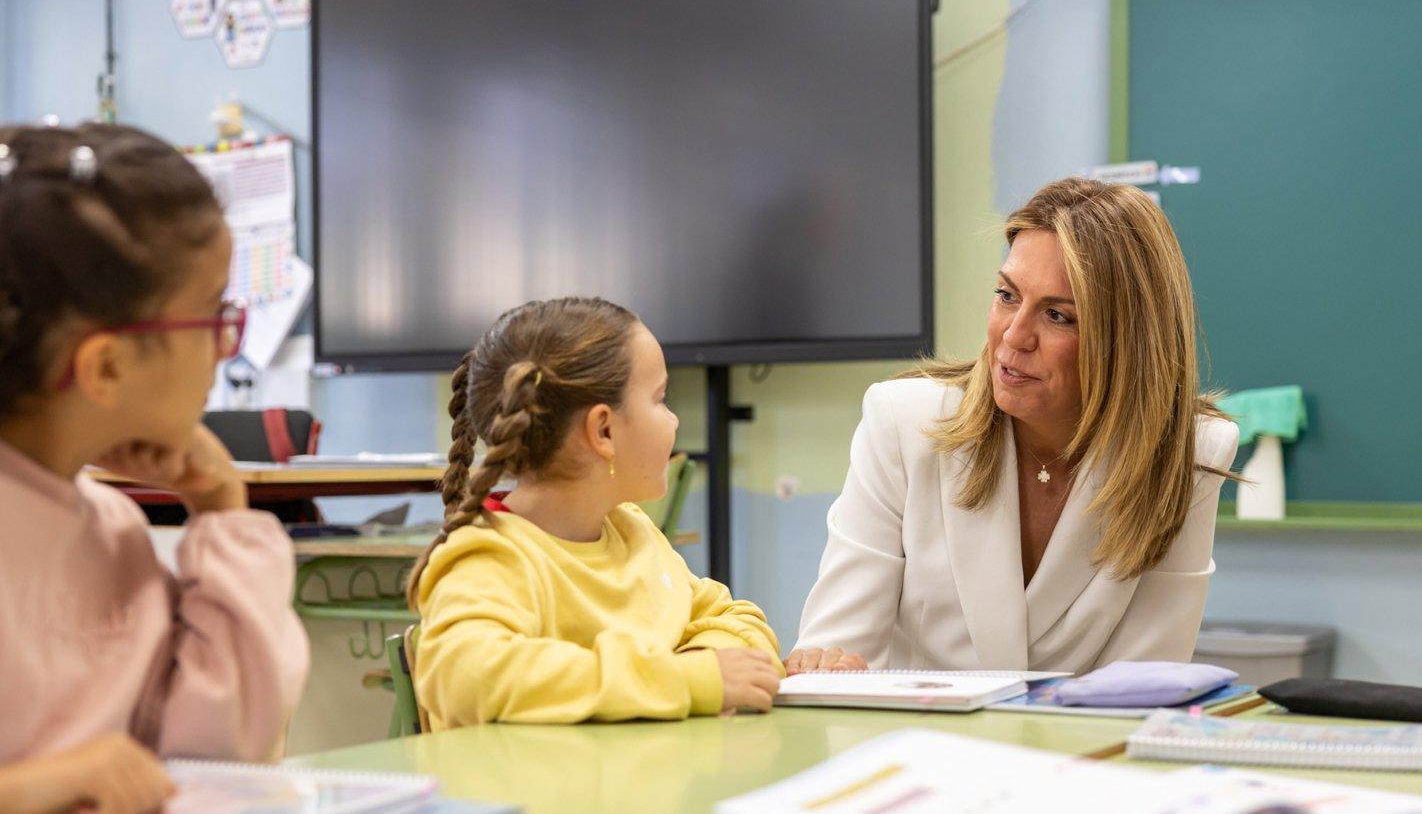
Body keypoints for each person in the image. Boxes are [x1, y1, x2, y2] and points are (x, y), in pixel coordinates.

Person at [790, 177, 1239, 675]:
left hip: (1078, 752)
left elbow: (1145, 686)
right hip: (914, 746)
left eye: (1057, 315)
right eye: (1007, 295)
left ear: (1127, 341)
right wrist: (823, 668)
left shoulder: (1190, 452)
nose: (1014, 334)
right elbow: (837, 654)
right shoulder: (903, 421)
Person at [0, 124, 308, 813]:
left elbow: (221, 751)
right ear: (107, 366)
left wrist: (222, 508)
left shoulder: (113, 530)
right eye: (211, 317)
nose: (225, 348)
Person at [408, 298, 784, 726]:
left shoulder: (632, 531)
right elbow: (465, 678)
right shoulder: (491, 556)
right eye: (661, 399)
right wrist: (678, 679)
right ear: (603, 429)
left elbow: (736, 621)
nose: (674, 420)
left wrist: (704, 663)